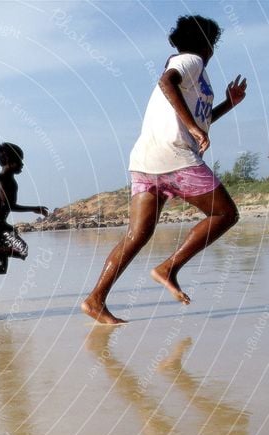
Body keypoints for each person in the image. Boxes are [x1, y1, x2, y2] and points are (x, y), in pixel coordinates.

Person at [81, 15, 247, 324]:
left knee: (137, 235)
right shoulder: (191, 61)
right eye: (214, 42)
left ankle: (95, 300)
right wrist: (193, 130)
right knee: (226, 213)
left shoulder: (192, 72)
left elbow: (198, 121)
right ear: (206, 42)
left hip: (146, 160)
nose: (214, 48)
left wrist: (228, 104)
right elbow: (166, 82)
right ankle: (168, 268)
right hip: (174, 157)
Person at [0, 142, 49, 304]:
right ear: (10, 161)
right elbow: (10, 206)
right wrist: (35, 208)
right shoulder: (10, 182)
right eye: (20, 160)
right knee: (22, 250)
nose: (22, 165)